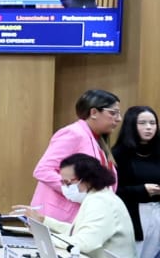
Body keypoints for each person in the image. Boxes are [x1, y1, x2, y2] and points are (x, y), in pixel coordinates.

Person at [15, 154, 137, 258]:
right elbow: (78, 231)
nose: (64, 187)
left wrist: (44, 236)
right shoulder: (94, 197)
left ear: (88, 179)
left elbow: (84, 243)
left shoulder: (102, 202)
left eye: (68, 183)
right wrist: (43, 221)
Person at [30, 89, 121, 223]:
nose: (119, 119)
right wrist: (74, 191)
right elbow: (43, 170)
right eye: (113, 113)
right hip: (57, 216)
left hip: (84, 216)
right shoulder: (73, 133)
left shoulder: (98, 140)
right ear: (94, 112)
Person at [114, 106, 160, 258]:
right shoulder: (119, 154)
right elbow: (114, 191)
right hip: (134, 213)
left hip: (157, 212)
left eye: (152, 123)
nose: (149, 127)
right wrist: (142, 190)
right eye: (142, 123)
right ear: (131, 125)